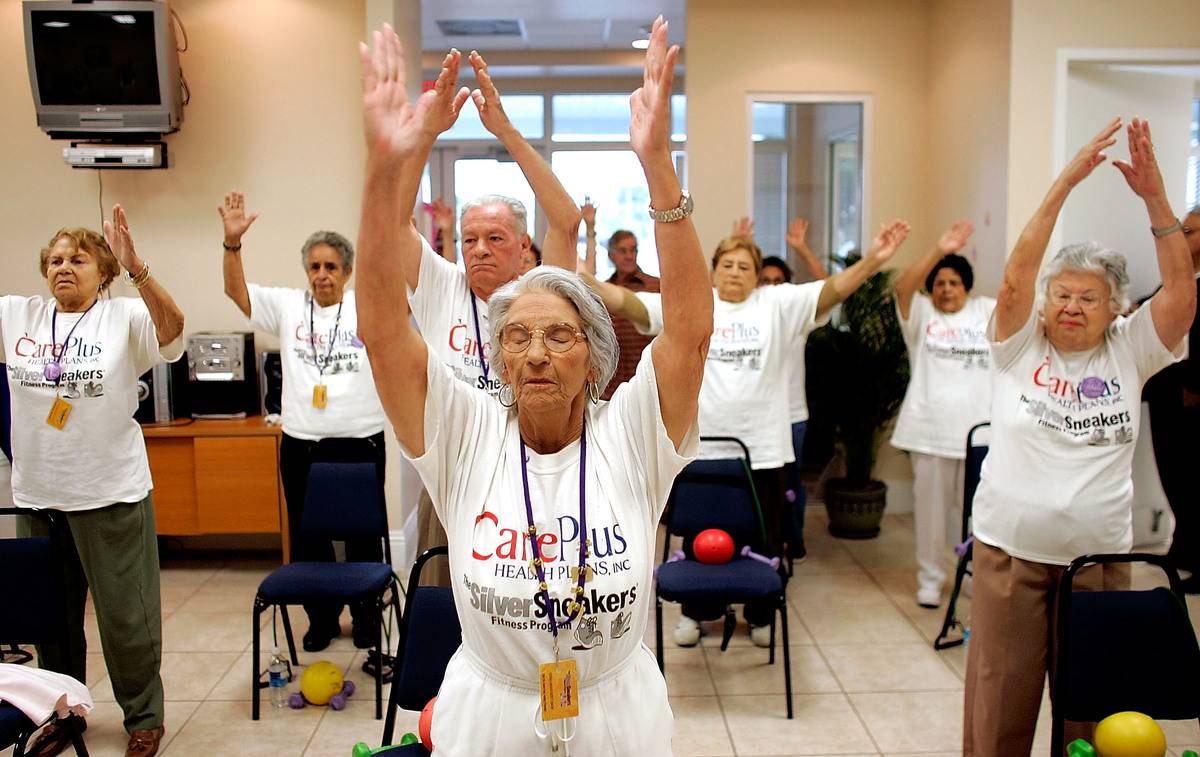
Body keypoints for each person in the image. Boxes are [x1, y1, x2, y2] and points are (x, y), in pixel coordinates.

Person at [356, 17, 710, 753]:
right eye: (517, 337)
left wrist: (660, 169)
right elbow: (385, 334)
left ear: (596, 355)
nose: (538, 353)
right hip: (492, 714)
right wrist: (387, 169)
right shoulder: (468, 433)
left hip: (617, 711)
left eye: (560, 336)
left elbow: (690, 332)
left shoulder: (633, 433)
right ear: (500, 358)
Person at [963, 118, 1195, 756]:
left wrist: (1155, 198)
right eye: (1061, 294)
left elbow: (1182, 293)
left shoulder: (1133, 349)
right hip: (1010, 554)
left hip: (1097, 562)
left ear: (1117, 308)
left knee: (1092, 718)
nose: (1071, 306)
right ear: (1042, 303)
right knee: (998, 714)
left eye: (1089, 298)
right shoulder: (1017, 344)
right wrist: (1064, 182)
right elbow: (1013, 279)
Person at [603, 221, 911, 646]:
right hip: (702, 449)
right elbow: (634, 305)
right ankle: (697, 612)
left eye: (744, 267)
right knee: (700, 537)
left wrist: (875, 258)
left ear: (756, 274)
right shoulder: (696, 303)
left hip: (765, 449)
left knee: (763, 537)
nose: (734, 273)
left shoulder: (777, 303)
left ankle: (761, 615)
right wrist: (582, 279)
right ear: (712, 271)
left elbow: (833, 290)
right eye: (727, 265)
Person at [1, 206, 185, 757]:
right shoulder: (17, 316)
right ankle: (62, 714)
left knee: (127, 620)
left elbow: (173, 335)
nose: (64, 268)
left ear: (101, 272)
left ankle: (144, 718)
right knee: (51, 621)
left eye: (77, 259)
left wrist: (140, 269)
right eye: (55, 260)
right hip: (39, 495)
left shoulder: (123, 317)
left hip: (110, 493)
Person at [402, 49, 581, 589]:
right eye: (469, 240)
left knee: (521, 602)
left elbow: (568, 223)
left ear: (523, 244)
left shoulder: (541, 291)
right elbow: (392, 222)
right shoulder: (440, 284)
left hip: (528, 467)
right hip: (453, 469)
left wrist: (505, 131)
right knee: (439, 606)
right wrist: (426, 135)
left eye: (495, 238)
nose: (478, 250)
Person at [218, 194, 387, 653]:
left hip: (360, 441)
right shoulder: (288, 305)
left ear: (347, 272)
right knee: (309, 536)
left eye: (331, 267)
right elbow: (238, 293)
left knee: (362, 538)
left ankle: (367, 617)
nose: (322, 275)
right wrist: (233, 246)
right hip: (302, 444)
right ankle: (321, 619)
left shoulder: (365, 304)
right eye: (314, 267)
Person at [890, 219, 994, 608]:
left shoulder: (987, 311)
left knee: (976, 516)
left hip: (980, 435)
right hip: (929, 432)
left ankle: (969, 574)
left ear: (967, 286)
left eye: (953, 283)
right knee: (931, 515)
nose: (946, 289)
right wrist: (938, 248)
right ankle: (931, 578)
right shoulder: (921, 315)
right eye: (939, 283)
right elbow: (901, 286)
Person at [756, 217, 829, 563]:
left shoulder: (795, 315)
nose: (770, 287)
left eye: (777, 282)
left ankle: (793, 538)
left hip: (792, 416)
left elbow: (829, 289)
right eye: (764, 281)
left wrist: (801, 248)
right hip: (755, 417)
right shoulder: (749, 315)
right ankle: (762, 543)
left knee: (790, 485)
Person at [1144, 203, 1200, 590]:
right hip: (1165, 395)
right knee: (1174, 478)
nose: (1181, 234)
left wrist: (1195, 388)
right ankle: (1183, 547)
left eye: (1190, 231)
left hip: (1192, 397)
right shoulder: (1177, 279)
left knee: (1194, 481)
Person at [602, 227, 660, 398]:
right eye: (622, 251)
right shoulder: (604, 292)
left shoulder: (655, 286)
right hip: (613, 385)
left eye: (633, 250)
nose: (629, 256)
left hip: (651, 381)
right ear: (611, 255)